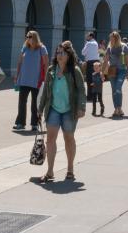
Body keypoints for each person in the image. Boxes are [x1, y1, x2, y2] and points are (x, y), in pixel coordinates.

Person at [34, 41, 86, 184]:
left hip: (69, 110)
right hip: (53, 109)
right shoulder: (51, 70)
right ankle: (50, 171)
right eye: (57, 52)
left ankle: (70, 169)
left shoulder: (75, 71)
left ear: (69, 55)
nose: (59, 55)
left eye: (62, 52)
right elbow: (45, 91)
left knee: (68, 138)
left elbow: (81, 89)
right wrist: (39, 109)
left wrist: (82, 107)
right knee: (50, 139)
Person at [14, 30, 49, 131]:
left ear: (35, 37)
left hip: (36, 80)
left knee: (35, 103)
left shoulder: (42, 48)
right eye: (27, 36)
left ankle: (35, 124)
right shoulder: (25, 48)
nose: (28, 38)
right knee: (22, 102)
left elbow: (46, 63)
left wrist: (46, 78)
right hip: (24, 79)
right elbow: (20, 62)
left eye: (30, 36)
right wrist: (17, 75)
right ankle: (20, 123)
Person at [104, 31, 128, 118]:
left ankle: (118, 108)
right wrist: (101, 72)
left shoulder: (124, 47)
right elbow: (105, 61)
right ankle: (117, 108)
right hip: (112, 70)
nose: (111, 40)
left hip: (122, 70)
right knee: (114, 89)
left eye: (113, 39)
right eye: (110, 39)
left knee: (117, 88)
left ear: (117, 39)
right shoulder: (109, 48)